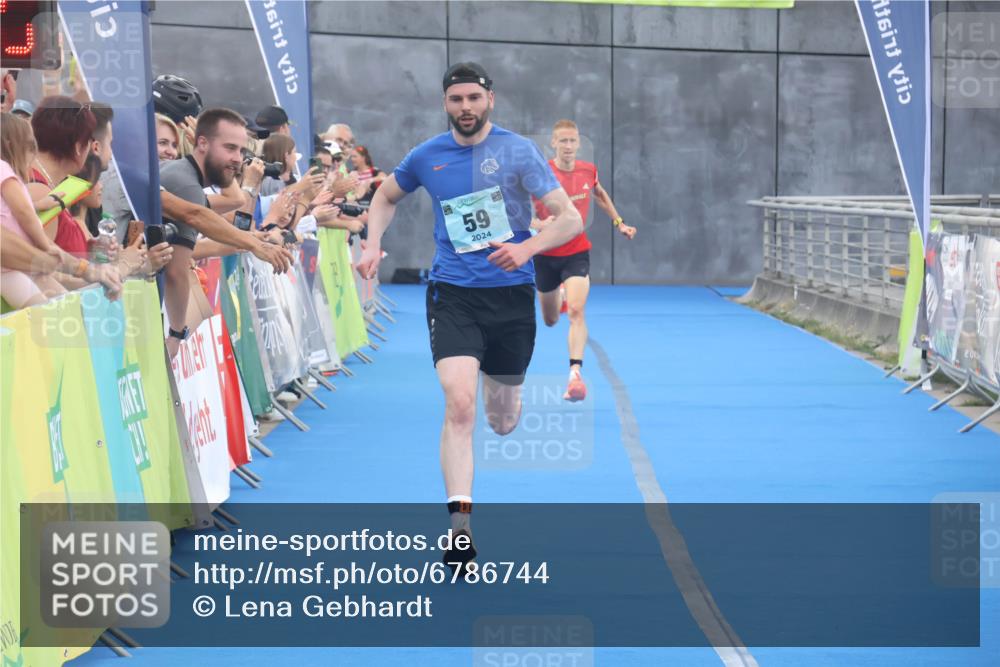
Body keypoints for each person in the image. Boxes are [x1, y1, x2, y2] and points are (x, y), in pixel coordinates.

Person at [356, 62, 582, 572]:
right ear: (445, 104)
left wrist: (527, 251)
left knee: (500, 421)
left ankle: (499, 387)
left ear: (489, 100)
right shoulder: (426, 155)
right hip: (453, 294)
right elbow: (385, 196)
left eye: (473, 99)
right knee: (459, 405)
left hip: (510, 297)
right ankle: (460, 531)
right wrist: (372, 245)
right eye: (456, 100)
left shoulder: (517, 151)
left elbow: (569, 218)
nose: (465, 108)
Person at [159, 107, 293, 358]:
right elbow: (178, 268)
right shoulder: (184, 182)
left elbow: (225, 206)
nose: (238, 158)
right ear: (201, 143)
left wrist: (253, 238)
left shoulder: (187, 179)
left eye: (241, 151)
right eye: (229, 148)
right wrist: (176, 334)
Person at [531, 120, 637, 402]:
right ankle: (560, 293)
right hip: (545, 255)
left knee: (577, 311)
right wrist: (538, 224)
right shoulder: (541, 174)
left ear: (579, 144)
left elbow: (599, 193)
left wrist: (620, 223)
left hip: (577, 252)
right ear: (553, 144)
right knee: (551, 319)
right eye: (562, 141)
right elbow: (517, 210)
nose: (568, 146)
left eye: (572, 141)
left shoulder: (588, 170)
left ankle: (575, 374)